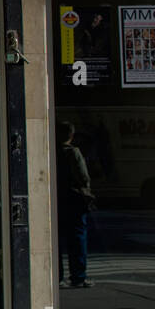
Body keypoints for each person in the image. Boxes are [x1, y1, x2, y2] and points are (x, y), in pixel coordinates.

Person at [56, 120, 94, 289]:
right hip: (73, 198)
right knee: (77, 238)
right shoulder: (73, 152)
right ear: (71, 136)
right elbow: (83, 176)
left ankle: (57, 277)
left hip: (57, 198)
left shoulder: (51, 151)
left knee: (55, 239)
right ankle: (78, 276)